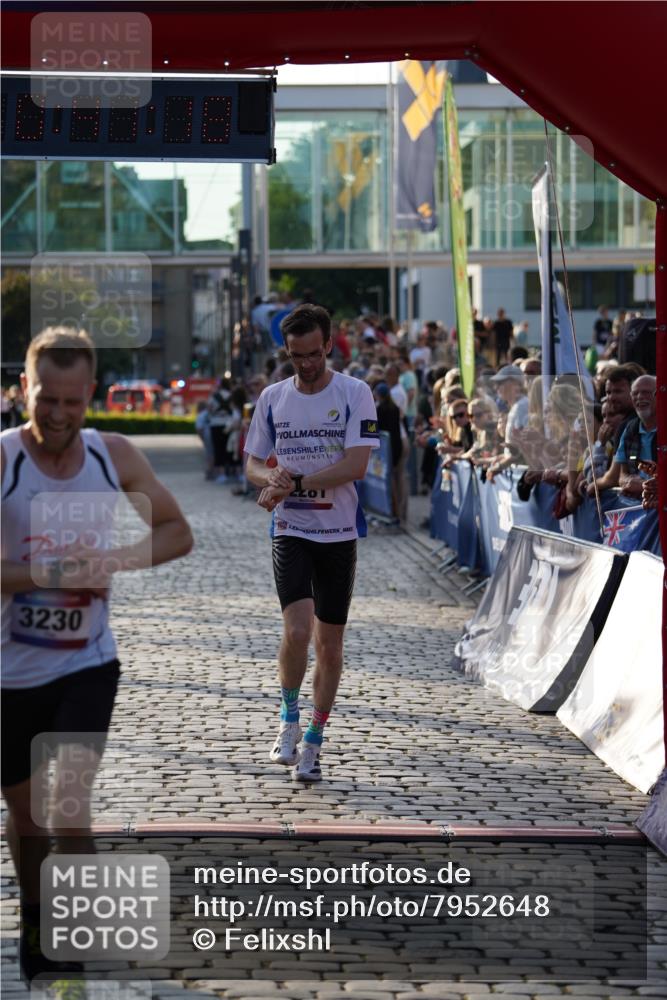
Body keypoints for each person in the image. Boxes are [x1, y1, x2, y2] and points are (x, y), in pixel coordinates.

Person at [1, 327, 193, 982]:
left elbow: (176, 532)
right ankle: (36, 913)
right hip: (9, 670)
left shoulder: (112, 456)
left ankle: (70, 942)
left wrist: (112, 560)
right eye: (45, 400)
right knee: (27, 817)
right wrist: (48, 573)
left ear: (91, 394)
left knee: (69, 811)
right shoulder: (4, 461)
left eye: (72, 402)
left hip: (87, 662)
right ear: (25, 388)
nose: (58, 416)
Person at [244, 304, 379, 783]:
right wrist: (271, 479)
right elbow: (252, 464)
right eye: (296, 355)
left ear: (328, 345)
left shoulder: (356, 393)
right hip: (291, 529)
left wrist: (294, 483)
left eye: (313, 354)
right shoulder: (273, 398)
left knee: (330, 645)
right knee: (297, 631)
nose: (305, 364)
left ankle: (315, 742)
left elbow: (356, 465)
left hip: (338, 532)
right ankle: (288, 719)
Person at [588, 375, 657, 500]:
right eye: (635, 393)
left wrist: (643, 486)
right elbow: (621, 476)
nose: (640, 397)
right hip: (636, 506)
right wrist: (628, 482)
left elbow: (611, 479)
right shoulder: (630, 430)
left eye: (646, 392)